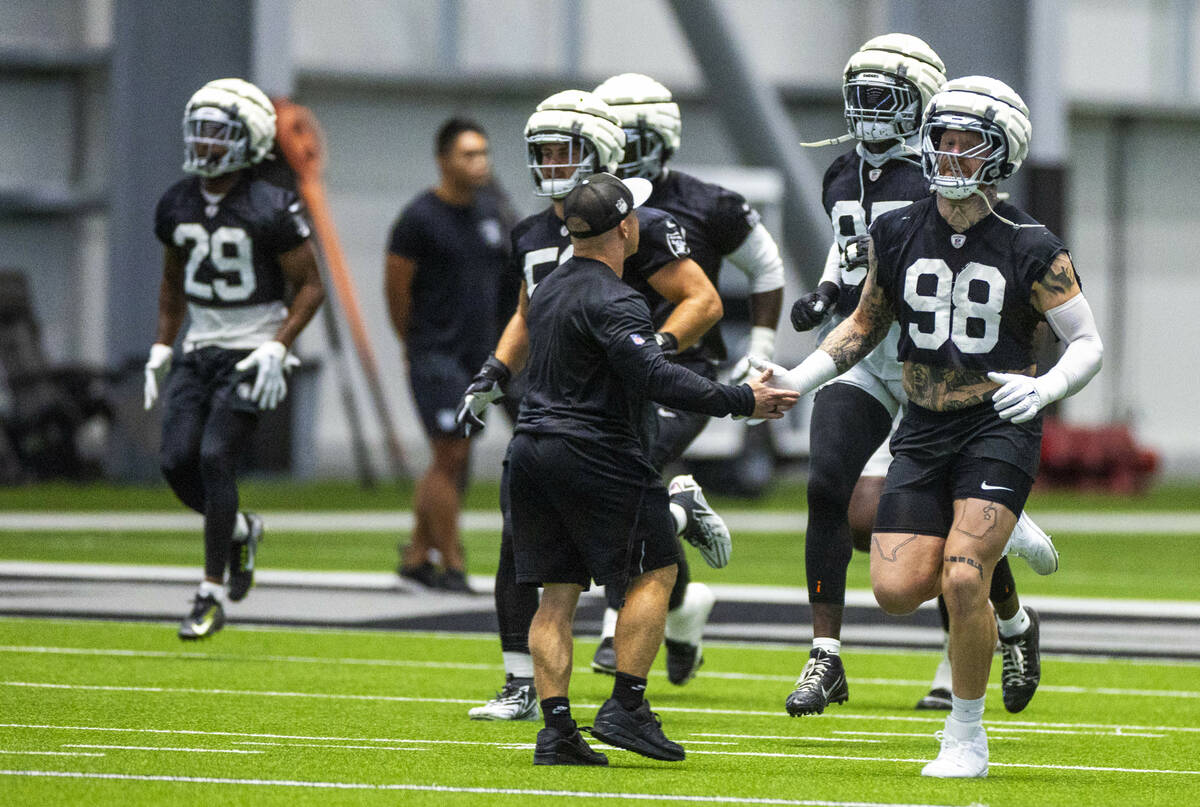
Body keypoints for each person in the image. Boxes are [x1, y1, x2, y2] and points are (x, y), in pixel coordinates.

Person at [756, 75, 1102, 777]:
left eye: (965, 142)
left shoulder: (1031, 243)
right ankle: (1004, 545)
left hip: (995, 427)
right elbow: (861, 326)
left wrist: (1046, 387)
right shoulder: (897, 228)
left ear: (1001, 151)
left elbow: (1088, 341)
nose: (947, 152)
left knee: (964, 575)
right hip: (921, 425)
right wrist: (796, 378)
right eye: (940, 137)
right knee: (894, 589)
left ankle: (965, 734)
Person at [785, 35, 1058, 719]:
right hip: (858, 344)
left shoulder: (944, 184)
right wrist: (823, 293)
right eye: (861, 94)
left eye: (885, 95)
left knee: (919, 525)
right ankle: (826, 654)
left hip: (926, 362)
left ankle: (1001, 623)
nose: (869, 109)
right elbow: (852, 244)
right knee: (827, 488)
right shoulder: (843, 174)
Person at [512, 172, 800, 765]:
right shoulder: (618, 298)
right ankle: (627, 705)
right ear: (626, 227)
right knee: (656, 571)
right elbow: (655, 377)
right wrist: (742, 399)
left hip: (530, 451)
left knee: (556, 595)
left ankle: (557, 729)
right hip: (597, 452)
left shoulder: (549, 290)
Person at [461, 90, 726, 721]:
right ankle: (519, 682)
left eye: (566, 150)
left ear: (602, 153)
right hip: (552, 401)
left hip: (616, 410)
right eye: (543, 151)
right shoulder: (530, 233)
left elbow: (704, 301)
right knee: (519, 536)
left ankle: (671, 514)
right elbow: (525, 313)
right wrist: (495, 369)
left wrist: (650, 350)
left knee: (622, 550)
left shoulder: (641, 224)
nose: (552, 161)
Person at [587, 72, 787, 681]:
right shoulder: (586, 204)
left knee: (624, 475)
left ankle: (610, 624)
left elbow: (766, 267)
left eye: (631, 135)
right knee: (612, 490)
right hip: (609, 375)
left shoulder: (709, 202)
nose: (619, 149)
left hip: (681, 369)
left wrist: (760, 345)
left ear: (662, 137)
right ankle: (683, 606)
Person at [143, 78, 325, 640]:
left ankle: (210, 592)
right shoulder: (177, 201)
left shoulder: (272, 204)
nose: (204, 143)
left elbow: (312, 287)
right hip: (201, 346)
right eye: (198, 130)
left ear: (248, 140)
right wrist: (162, 345)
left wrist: (279, 344)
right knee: (176, 462)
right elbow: (173, 285)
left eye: (217, 133)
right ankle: (240, 529)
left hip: (252, 348)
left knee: (216, 456)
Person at [385, 118, 510, 593]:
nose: (479, 163)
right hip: (435, 354)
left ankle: (417, 556)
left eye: (483, 154)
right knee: (450, 452)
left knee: (456, 457)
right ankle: (452, 563)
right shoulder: (420, 219)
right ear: (443, 160)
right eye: (468, 155)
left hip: (479, 356)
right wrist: (415, 346)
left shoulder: (491, 212)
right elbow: (395, 290)